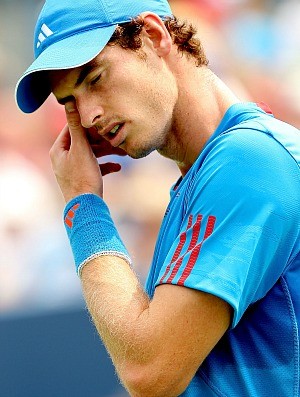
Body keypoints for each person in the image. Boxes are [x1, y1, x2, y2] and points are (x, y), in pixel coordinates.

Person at [15, 0, 300, 395]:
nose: (89, 114)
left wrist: (84, 205)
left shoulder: (250, 161)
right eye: (70, 102)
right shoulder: (210, 173)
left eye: (95, 78)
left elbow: (148, 371)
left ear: (154, 36)